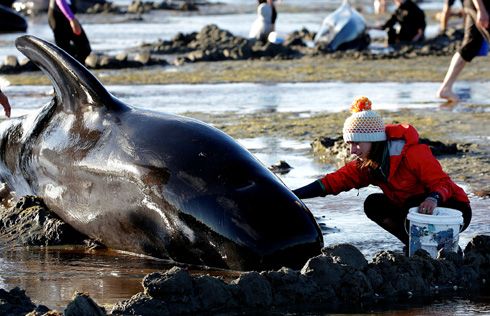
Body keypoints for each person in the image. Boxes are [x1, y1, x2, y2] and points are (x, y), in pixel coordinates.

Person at [293, 96, 472, 253]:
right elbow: (333, 182)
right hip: (415, 212)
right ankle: (415, 246)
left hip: (453, 209)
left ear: (374, 141)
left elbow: (444, 183)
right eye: (349, 144)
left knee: (412, 206)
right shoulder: (366, 164)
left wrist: (433, 199)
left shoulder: (412, 153)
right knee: (373, 204)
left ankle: (445, 249)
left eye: (356, 143)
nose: (352, 151)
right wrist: (293, 195)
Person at [437, 0, 490, 102]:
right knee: (469, 46)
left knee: (469, 46)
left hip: (472, 5)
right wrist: (481, 9)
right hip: (481, 5)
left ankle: (446, 88)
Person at [48, 0, 91, 65]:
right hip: (58, 18)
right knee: (64, 53)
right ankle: (72, 71)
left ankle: (77, 70)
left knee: (84, 48)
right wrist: (72, 19)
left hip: (67, 17)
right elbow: (60, 1)